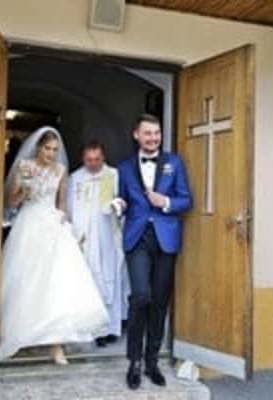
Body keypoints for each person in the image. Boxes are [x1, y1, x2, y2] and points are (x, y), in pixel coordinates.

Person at [0, 126, 109, 364]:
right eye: (47, 148)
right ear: (38, 147)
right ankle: (19, 337)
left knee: (57, 283)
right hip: (28, 223)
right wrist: (25, 191)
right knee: (26, 282)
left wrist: (63, 222)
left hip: (52, 226)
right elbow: (10, 201)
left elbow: (61, 203)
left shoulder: (60, 170)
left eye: (55, 149)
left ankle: (56, 345)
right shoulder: (24, 166)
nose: (50, 153)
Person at [116, 114, 192, 389]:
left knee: (159, 301)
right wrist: (119, 205)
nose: (153, 138)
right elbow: (121, 197)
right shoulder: (124, 167)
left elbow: (186, 200)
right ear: (136, 135)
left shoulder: (175, 163)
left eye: (157, 133)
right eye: (148, 133)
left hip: (165, 238)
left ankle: (152, 362)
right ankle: (134, 362)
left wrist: (166, 202)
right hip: (137, 238)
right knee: (140, 296)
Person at [67, 141, 129, 347]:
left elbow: (123, 201)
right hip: (83, 237)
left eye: (97, 159)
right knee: (86, 279)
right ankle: (88, 327)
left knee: (109, 277)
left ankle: (109, 328)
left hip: (107, 236)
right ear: (82, 159)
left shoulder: (112, 175)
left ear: (104, 158)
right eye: (89, 160)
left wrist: (118, 206)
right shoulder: (75, 178)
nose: (93, 164)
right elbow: (69, 208)